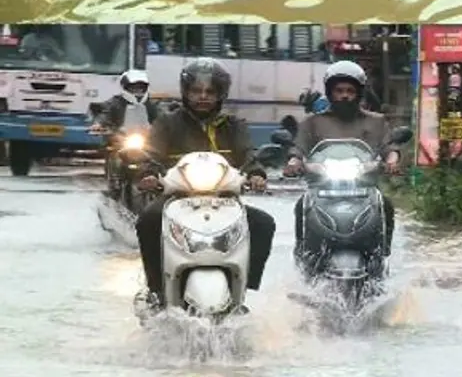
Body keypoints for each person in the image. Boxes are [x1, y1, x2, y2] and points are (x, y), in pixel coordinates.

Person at [133, 58, 274, 315]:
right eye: (196, 91)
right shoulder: (168, 122)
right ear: (185, 92)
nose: (202, 97)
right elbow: (151, 153)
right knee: (147, 221)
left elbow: (248, 155)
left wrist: (256, 174)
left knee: (264, 223)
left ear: (221, 95)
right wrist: (149, 173)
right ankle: (156, 290)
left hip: (225, 200)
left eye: (210, 92)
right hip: (176, 198)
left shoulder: (234, 125)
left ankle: (244, 288)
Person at [284, 61, 401, 262]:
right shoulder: (312, 122)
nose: (345, 95)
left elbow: (389, 147)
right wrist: (294, 163)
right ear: (330, 92)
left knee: (387, 205)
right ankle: (303, 254)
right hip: (321, 187)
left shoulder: (376, 121)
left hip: (365, 187)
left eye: (350, 90)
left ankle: (382, 254)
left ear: (359, 93)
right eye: (339, 90)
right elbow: (298, 149)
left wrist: (392, 160)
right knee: (301, 205)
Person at [95, 70, 161, 132]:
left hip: (145, 138)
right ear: (125, 87)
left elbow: (160, 118)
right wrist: (99, 124)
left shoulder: (151, 104)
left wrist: (160, 126)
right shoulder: (115, 102)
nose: (138, 90)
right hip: (119, 138)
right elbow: (105, 114)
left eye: (141, 88)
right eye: (134, 88)